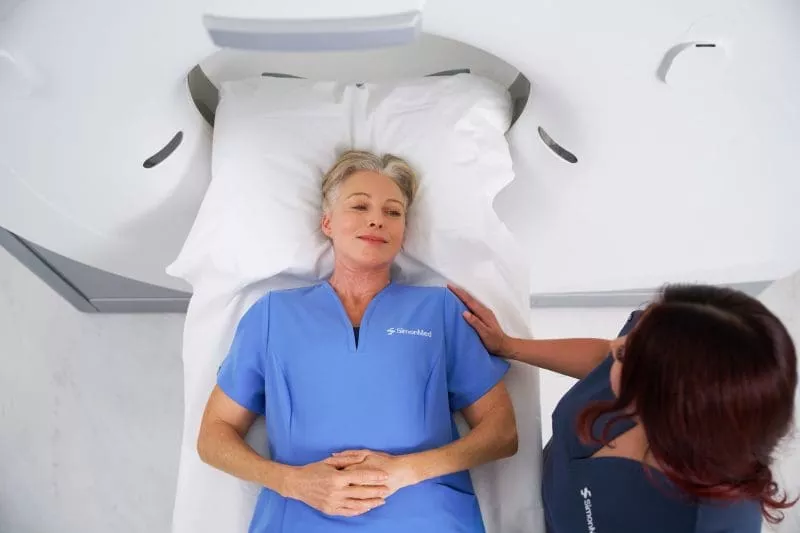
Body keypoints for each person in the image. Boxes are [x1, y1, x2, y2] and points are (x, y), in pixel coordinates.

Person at [196, 150, 518, 533]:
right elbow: (213, 435)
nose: (376, 220)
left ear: (403, 232)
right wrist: (291, 482)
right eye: (359, 206)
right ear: (327, 222)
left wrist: (406, 471)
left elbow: (502, 433)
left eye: (393, 212)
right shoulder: (272, 316)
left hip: (428, 515)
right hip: (299, 517)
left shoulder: (442, 311)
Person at [450, 283, 798, 533]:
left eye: (625, 355)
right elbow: (603, 353)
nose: (616, 344)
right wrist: (510, 346)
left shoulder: (709, 521)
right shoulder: (657, 350)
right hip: (528, 499)